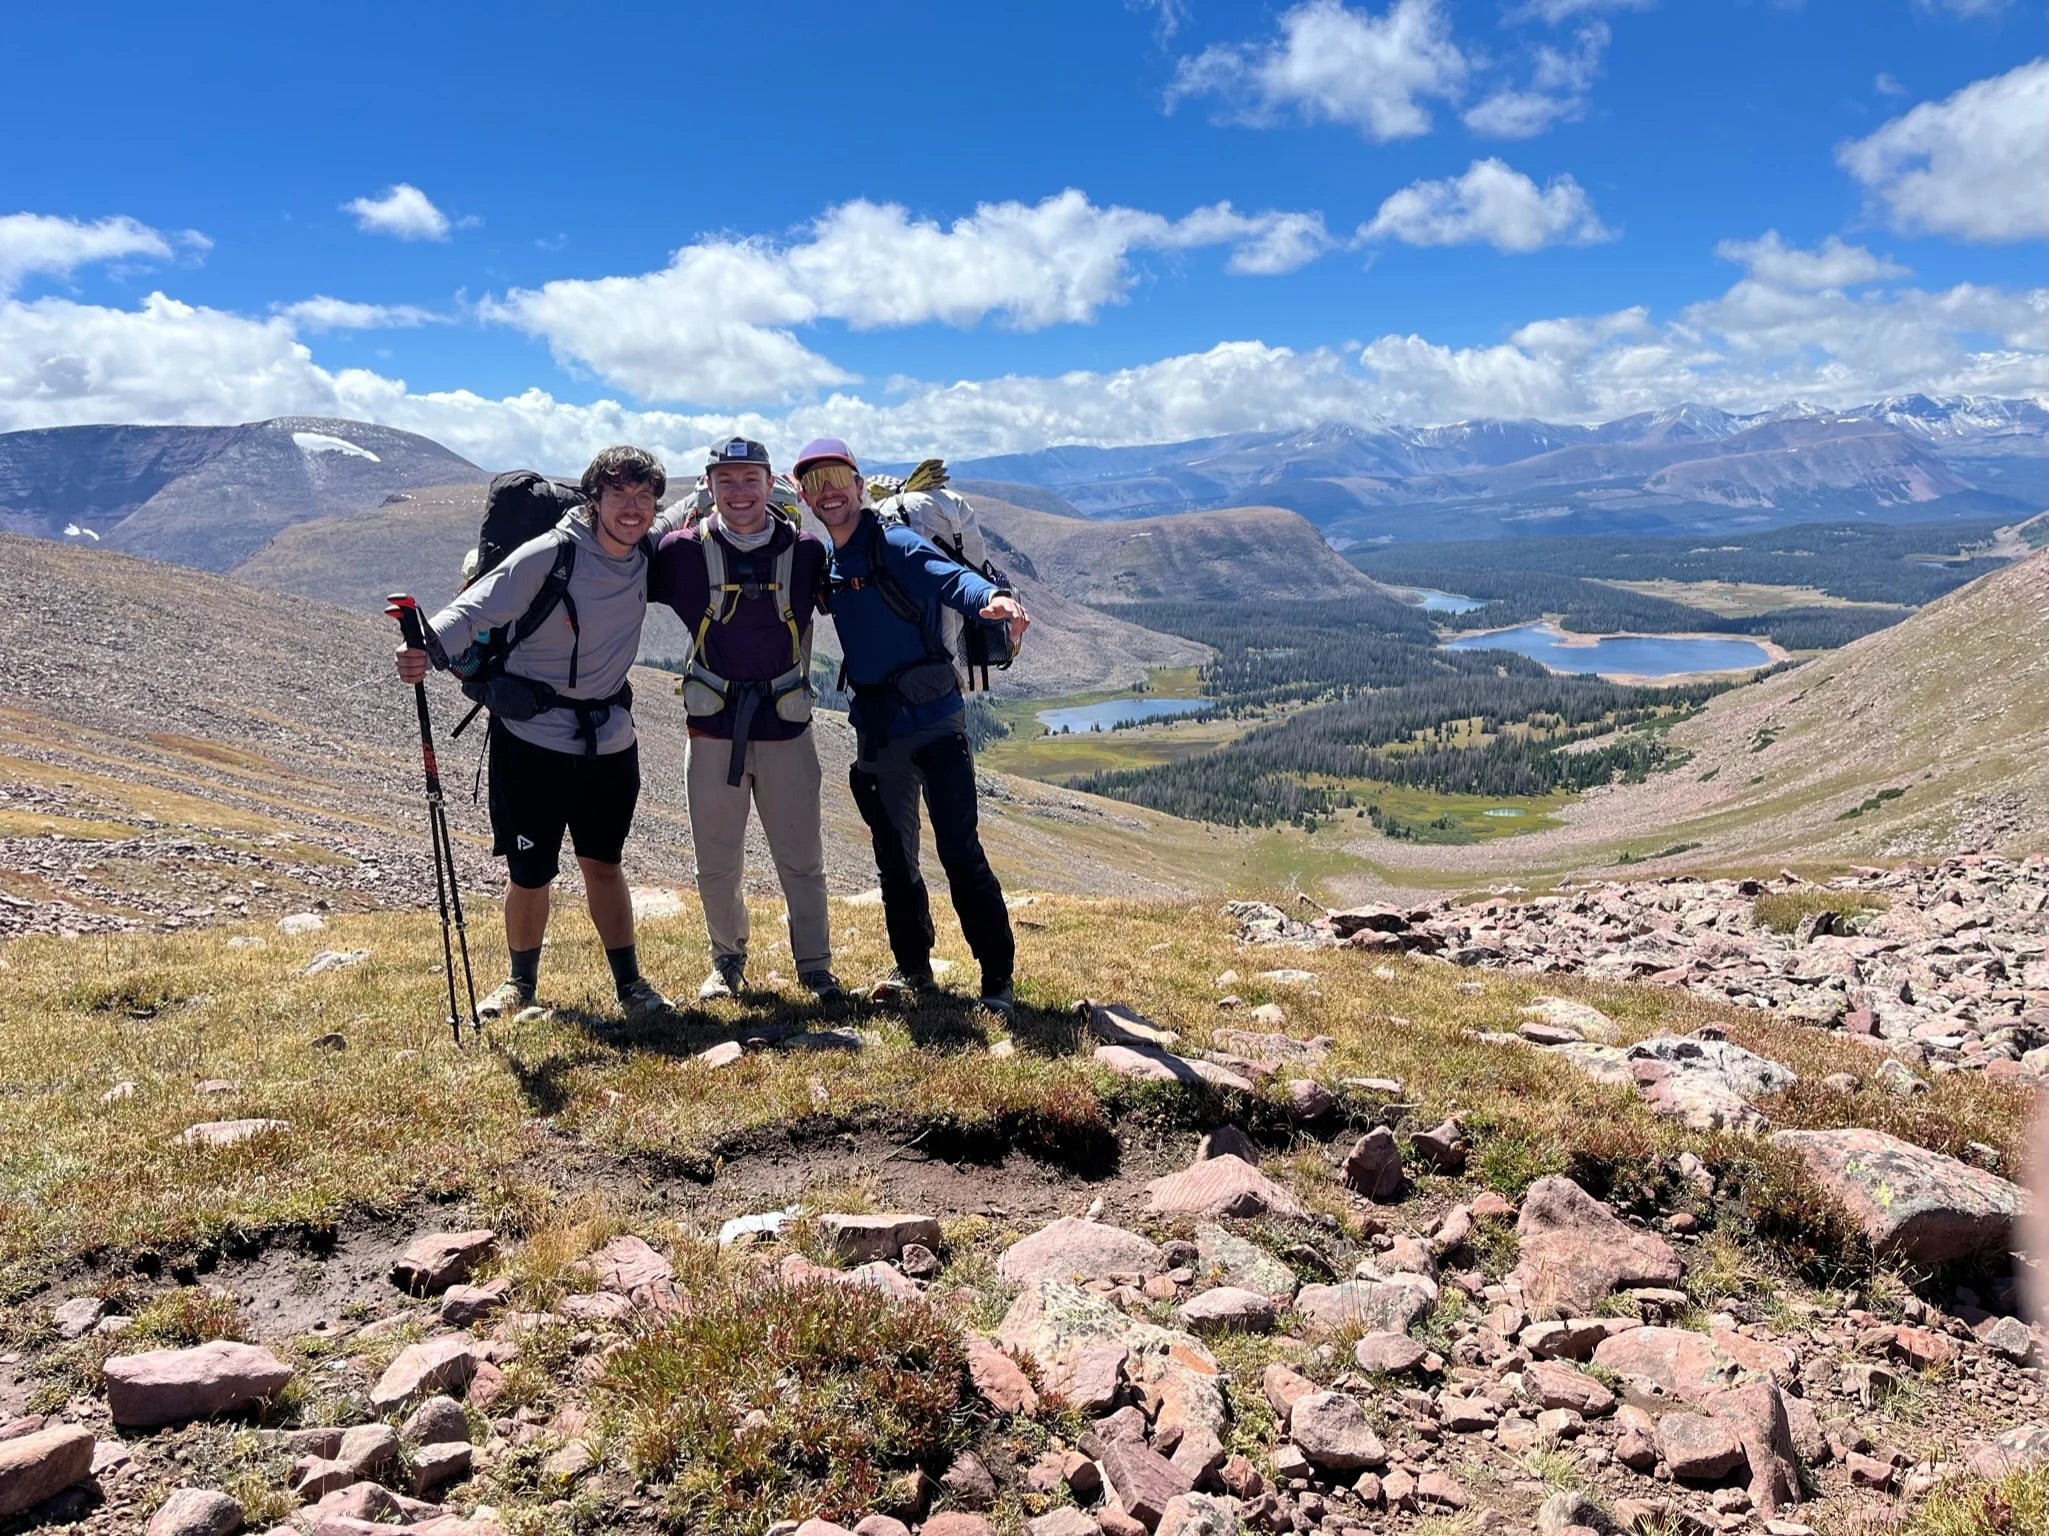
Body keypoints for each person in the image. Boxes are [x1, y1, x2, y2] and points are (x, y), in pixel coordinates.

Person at [393, 445, 670, 1021]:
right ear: (594, 499)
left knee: (603, 862)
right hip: (532, 740)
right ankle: (520, 984)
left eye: (644, 497)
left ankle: (631, 986)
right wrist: (426, 645)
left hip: (610, 741)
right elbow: (474, 609)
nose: (633, 508)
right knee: (530, 870)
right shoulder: (550, 554)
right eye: (620, 494)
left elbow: (687, 511)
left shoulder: (646, 548)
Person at [792, 436, 1031, 1019]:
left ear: (857, 483)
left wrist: (990, 597)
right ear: (805, 495)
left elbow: (947, 576)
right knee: (893, 855)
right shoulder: (828, 563)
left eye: (838, 481)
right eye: (816, 486)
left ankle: (996, 974)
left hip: (935, 722)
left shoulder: (892, 541)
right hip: (876, 731)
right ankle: (913, 968)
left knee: (958, 849)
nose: (830, 495)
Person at [652, 435, 840, 1003]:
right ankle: (727, 961)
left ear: (770, 484)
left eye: (749, 479)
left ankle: (815, 967)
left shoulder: (806, 552)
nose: (738, 491)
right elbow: (618, 574)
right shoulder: (680, 551)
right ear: (708, 486)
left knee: (802, 857)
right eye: (726, 480)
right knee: (716, 858)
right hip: (713, 730)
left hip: (785, 727)